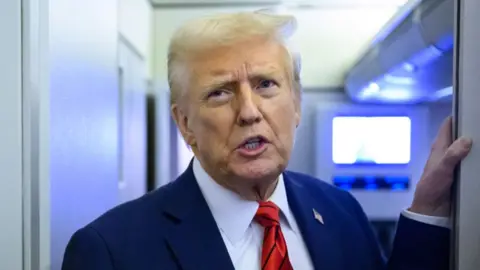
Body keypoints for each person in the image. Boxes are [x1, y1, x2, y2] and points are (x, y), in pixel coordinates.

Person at [62, 12, 472, 270]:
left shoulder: (340, 212)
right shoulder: (110, 251)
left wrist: (428, 210)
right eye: (220, 92)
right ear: (184, 124)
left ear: (296, 103)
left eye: (266, 84)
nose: (249, 111)